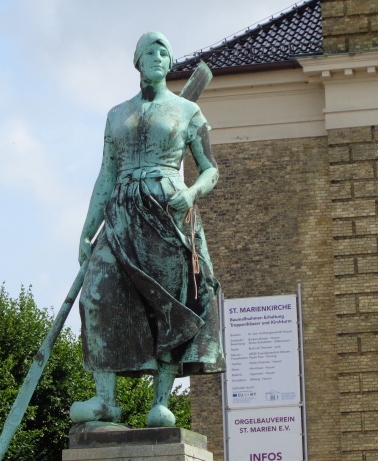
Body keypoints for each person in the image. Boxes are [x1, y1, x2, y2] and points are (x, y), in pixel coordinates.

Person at [71, 31, 225, 428]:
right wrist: (87, 231)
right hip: (121, 211)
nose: (157, 57)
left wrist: (191, 193)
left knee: (168, 302)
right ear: (137, 62)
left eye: (163, 52)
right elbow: (106, 175)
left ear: (170, 62)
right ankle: (105, 401)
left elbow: (210, 169)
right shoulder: (116, 114)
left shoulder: (188, 110)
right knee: (98, 295)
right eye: (149, 52)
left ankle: (161, 402)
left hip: (167, 211)